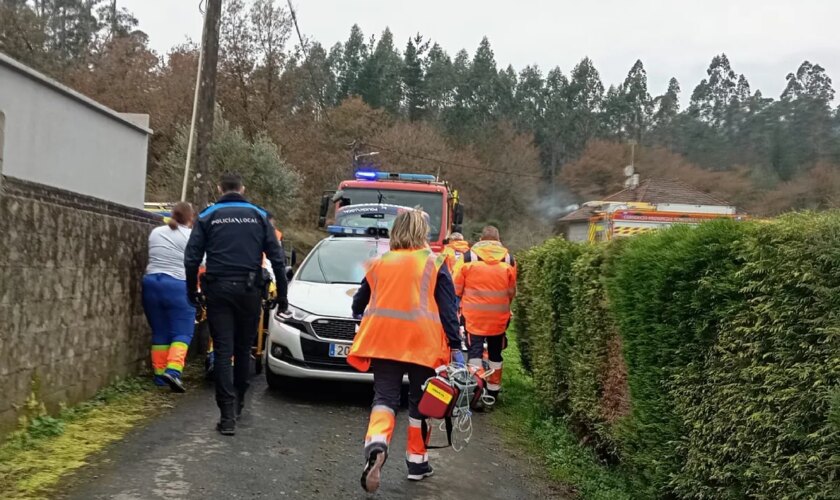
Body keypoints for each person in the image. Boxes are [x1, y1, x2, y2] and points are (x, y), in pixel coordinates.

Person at [349, 209, 463, 493]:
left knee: (384, 398)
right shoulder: (435, 262)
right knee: (419, 403)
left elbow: (359, 302)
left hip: (384, 343)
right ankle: (417, 463)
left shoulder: (380, 262)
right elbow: (449, 310)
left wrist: (358, 315)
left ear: (395, 231)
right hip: (421, 346)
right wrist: (457, 346)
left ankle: (377, 442)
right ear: (421, 233)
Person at [184, 173, 288, 436]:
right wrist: (283, 296)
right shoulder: (258, 215)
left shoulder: (208, 215)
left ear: (220, 188)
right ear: (243, 189)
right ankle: (240, 402)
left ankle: (227, 415)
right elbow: (277, 258)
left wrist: (191, 291)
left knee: (222, 351)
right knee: (244, 349)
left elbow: (191, 257)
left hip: (218, 289)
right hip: (250, 290)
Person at [454, 225, 516, 403]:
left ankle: (476, 390)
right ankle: (493, 390)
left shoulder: (468, 257)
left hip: (474, 317)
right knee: (496, 353)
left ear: (481, 239)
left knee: (475, 353)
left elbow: (456, 288)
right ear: (498, 239)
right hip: (499, 317)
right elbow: (512, 291)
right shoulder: (509, 259)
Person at [142, 202, 196, 392]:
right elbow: (202, 262)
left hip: (150, 284)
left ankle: (159, 376)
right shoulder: (191, 237)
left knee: (160, 331)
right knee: (183, 332)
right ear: (191, 218)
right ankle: (173, 371)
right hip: (177, 285)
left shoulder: (156, 232)